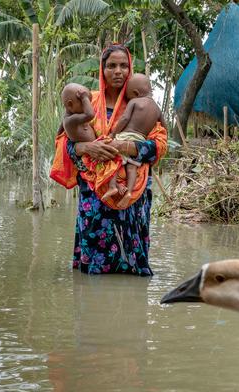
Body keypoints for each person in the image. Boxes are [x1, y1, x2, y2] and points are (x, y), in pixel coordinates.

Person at [50, 44, 168, 276]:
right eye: (111, 65)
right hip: (94, 192)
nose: (118, 71)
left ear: (130, 69)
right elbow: (64, 142)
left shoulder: (142, 103)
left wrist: (123, 146)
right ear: (102, 71)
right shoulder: (86, 102)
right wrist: (87, 147)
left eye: (124, 66)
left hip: (133, 191)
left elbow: (159, 145)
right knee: (96, 262)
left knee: (133, 258)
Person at [103, 73, 163, 209]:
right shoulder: (157, 109)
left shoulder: (134, 101)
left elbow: (124, 119)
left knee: (114, 159)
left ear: (135, 93)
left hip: (125, 136)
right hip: (141, 140)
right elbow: (163, 128)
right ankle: (129, 192)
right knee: (132, 168)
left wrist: (113, 133)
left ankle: (112, 186)